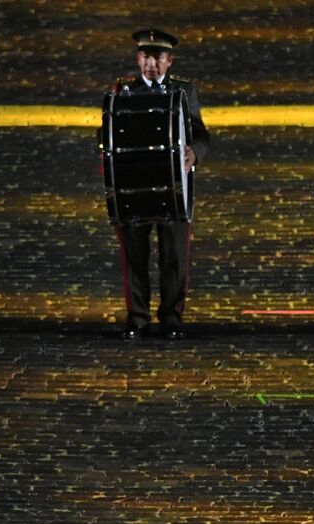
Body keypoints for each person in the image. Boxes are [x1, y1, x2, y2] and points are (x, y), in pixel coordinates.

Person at [108, 29, 210, 340]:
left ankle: (171, 316)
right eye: (145, 57)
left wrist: (195, 153)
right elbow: (109, 134)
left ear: (170, 61)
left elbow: (201, 134)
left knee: (175, 254)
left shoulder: (183, 91)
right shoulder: (122, 92)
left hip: (173, 187)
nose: (151, 63)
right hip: (135, 186)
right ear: (138, 59)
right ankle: (137, 316)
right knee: (135, 253)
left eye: (158, 58)